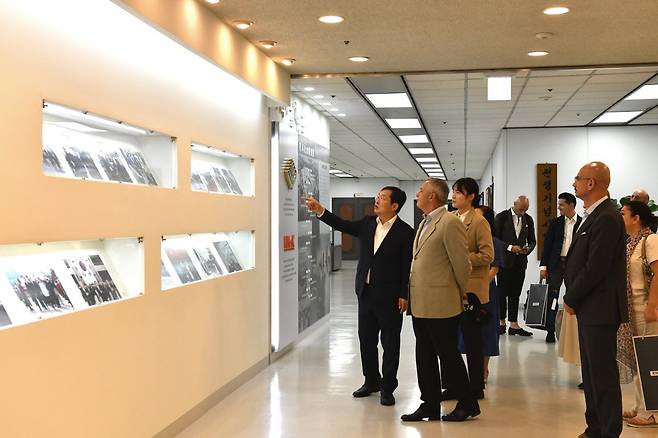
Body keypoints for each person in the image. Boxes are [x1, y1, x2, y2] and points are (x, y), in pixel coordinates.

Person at [305, 187, 414, 406]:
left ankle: (387, 387)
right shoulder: (367, 223)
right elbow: (342, 225)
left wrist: (404, 294)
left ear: (394, 206)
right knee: (366, 340)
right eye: (378, 197)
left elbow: (406, 266)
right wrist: (320, 211)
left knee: (390, 343)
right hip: (366, 293)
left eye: (382, 198)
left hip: (391, 296)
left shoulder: (405, 231)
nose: (377, 200)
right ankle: (371, 380)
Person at [401, 178, 479, 423]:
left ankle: (468, 404)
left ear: (432, 196)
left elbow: (462, 265)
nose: (417, 194)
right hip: (421, 302)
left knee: (448, 355)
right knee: (424, 355)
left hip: (442, 303)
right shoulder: (425, 222)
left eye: (421, 191)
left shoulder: (449, 223)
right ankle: (430, 405)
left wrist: (457, 292)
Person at [564, 161, 628, 438]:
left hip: (600, 307)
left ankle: (608, 431)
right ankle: (595, 427)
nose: (574, 183)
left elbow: (596, 266)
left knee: (602, 375)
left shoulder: (608, 217)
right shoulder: (593, 215)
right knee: (590, 374)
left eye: (578, 178)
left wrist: (572, 296)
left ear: (591, 183)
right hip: (590, 307)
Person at [443, 178, 493, 401]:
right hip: (450, 288)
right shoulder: (450, 218)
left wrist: (461, 258)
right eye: (453, 192)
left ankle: (475, 387)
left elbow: (487, 255)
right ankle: (453, 385)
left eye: (458, 193)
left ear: (471, 196)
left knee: (473, 340)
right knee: (449, 340)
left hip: (472, 290)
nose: (454, 196)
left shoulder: (479, 221)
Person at [618, 200, 658, 428]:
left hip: (646, 308)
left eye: (623, 214)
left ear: (636, 218)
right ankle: (639, 405)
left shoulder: (650, 241)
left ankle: (652, 412)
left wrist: (653, 305)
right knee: (638, 359)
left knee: (650, 359)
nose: (620, 217)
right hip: (632, 309)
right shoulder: (632, 243)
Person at [540, 192, 582, 343]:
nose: (559, 207)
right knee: (553, 297)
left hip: (574, 266)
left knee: (574, 297)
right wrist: (543, 267)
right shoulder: (555, 223)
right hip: (556, 265)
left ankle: (573, 332)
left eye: (562, 204)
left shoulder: (583, 223)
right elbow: (547, 246)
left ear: (571, 205)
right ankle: (550, 330)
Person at [494, 195, 536, 336]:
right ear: (514, 204)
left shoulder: (528, 219)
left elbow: (532, 241)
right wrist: (510, 247)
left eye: (525, 210)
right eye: (521, 209)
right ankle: (501, 322)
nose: (523, 212)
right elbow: (495, 239)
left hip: (520, 262)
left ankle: (514, 324)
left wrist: (527, 249)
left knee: (515, 293)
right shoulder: (502, 217)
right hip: (504, 261)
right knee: (502, 292)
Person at [475, 205, 505, 383]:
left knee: (486, 330)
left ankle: (483, 369)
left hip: (486, 291)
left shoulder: (495, 242)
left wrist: (480, 284)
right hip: (468, 291)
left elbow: (494, 269)